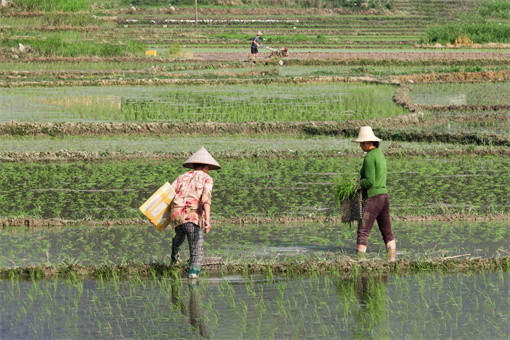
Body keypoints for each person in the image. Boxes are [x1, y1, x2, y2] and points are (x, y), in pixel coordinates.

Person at [168, 146, 220, 278]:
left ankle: (174, 256)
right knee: (196, 252)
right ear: (207, 167)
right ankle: (193, 282)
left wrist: (155, 217)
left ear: (194, 165)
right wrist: (208, 221)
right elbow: (206, 199)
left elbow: (167, 195)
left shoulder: (181, 177)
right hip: (192, 216)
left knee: (180, 235)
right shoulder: (207, 178)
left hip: (176, 215)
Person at [353, 126, 396, 261]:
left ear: (367, 142)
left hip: (373, 198)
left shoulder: (369, 157)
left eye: (361, 143)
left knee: (363, 231)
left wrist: (358, 184)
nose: (360, 145)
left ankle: (359, 261)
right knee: (387, 232)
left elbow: (370, 181)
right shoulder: (380, 154)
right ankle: (392, 259)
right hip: (384, 197)